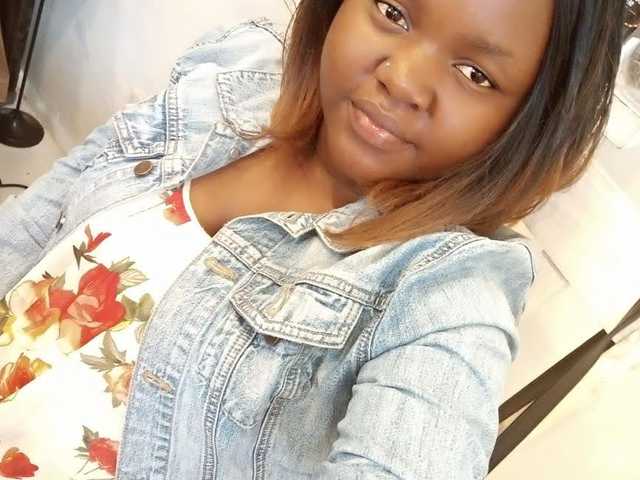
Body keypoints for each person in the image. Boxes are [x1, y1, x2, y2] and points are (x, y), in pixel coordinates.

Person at [0, 1, 625, 478]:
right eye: (393, 11)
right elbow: (31, 229)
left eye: (474, 73)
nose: (403, 79)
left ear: (531, 122)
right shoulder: (231, 75)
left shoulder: (447, 290)